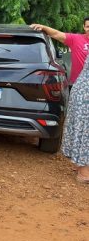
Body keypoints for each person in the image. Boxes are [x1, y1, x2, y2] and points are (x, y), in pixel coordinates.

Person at [30, 18, 89, 84]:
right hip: (78, 84)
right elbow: (56, 34)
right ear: (84, 27)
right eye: (87, 26)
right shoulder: (75, 39)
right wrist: (43, 27)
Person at [61, 55, 89, 183]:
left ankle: (80, 167)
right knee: (85, 131)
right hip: (85, 95)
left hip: (82, 91)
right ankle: (85, 173)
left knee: (82, 128)